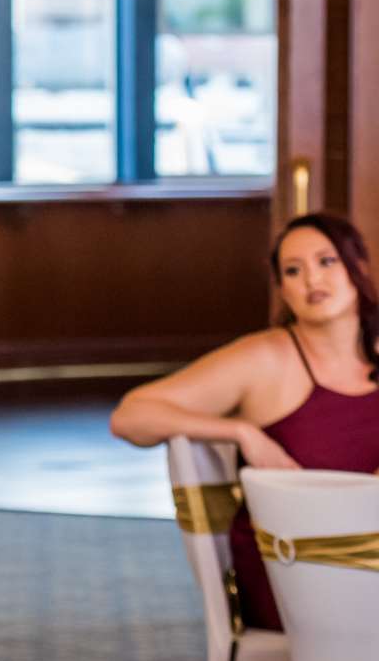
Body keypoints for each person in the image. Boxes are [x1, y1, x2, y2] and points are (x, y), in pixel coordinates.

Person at [111, 211, 379, 628]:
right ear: (283, 291)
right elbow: (131, 416)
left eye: (327, 261)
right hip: (296, 572)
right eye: (294, 270)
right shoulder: (265, 358)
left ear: (358, 266)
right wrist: (241, 432)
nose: (312, 280)